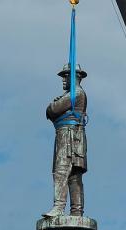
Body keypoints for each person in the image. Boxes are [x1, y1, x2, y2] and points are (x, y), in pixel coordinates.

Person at [43, 64, 88, 218]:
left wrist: (52, 106)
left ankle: (59, 207)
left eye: (66, 76)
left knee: (62, 172)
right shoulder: (72, 95)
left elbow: (53, 110)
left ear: (75, 76)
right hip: (73, 137)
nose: (63, 79)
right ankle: (77, 211)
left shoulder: (76, 93)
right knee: (73, 176)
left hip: (69, 137)